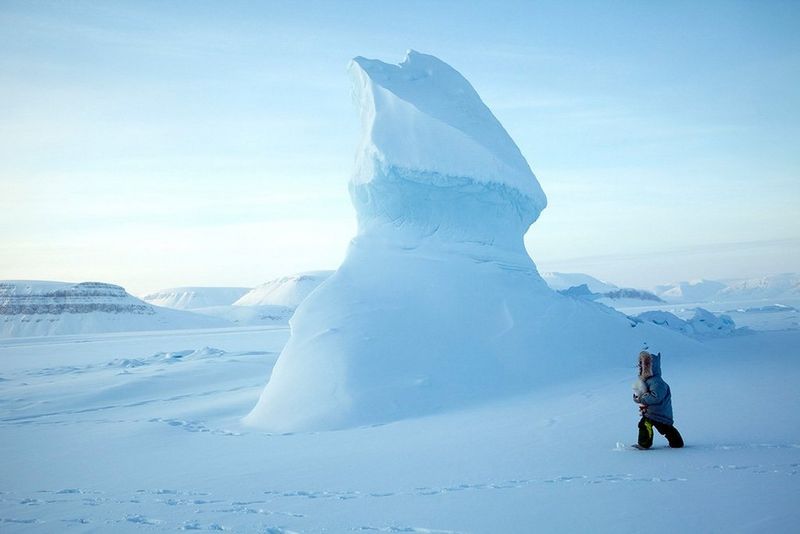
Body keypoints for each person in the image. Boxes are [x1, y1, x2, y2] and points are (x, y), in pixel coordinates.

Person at [632, 350, 684, 449]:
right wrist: (638, 397)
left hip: (659, 413)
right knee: (645, 425)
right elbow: (645, 394)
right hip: (653, 412)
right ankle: (644, 444)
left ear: (651, 367)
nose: (641, 367)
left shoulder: (657, 382)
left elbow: (656, 397)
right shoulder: (649, 381)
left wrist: (642, 398)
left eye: (644, 365)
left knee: (665, 428)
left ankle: (677, 443)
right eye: (641, 365)